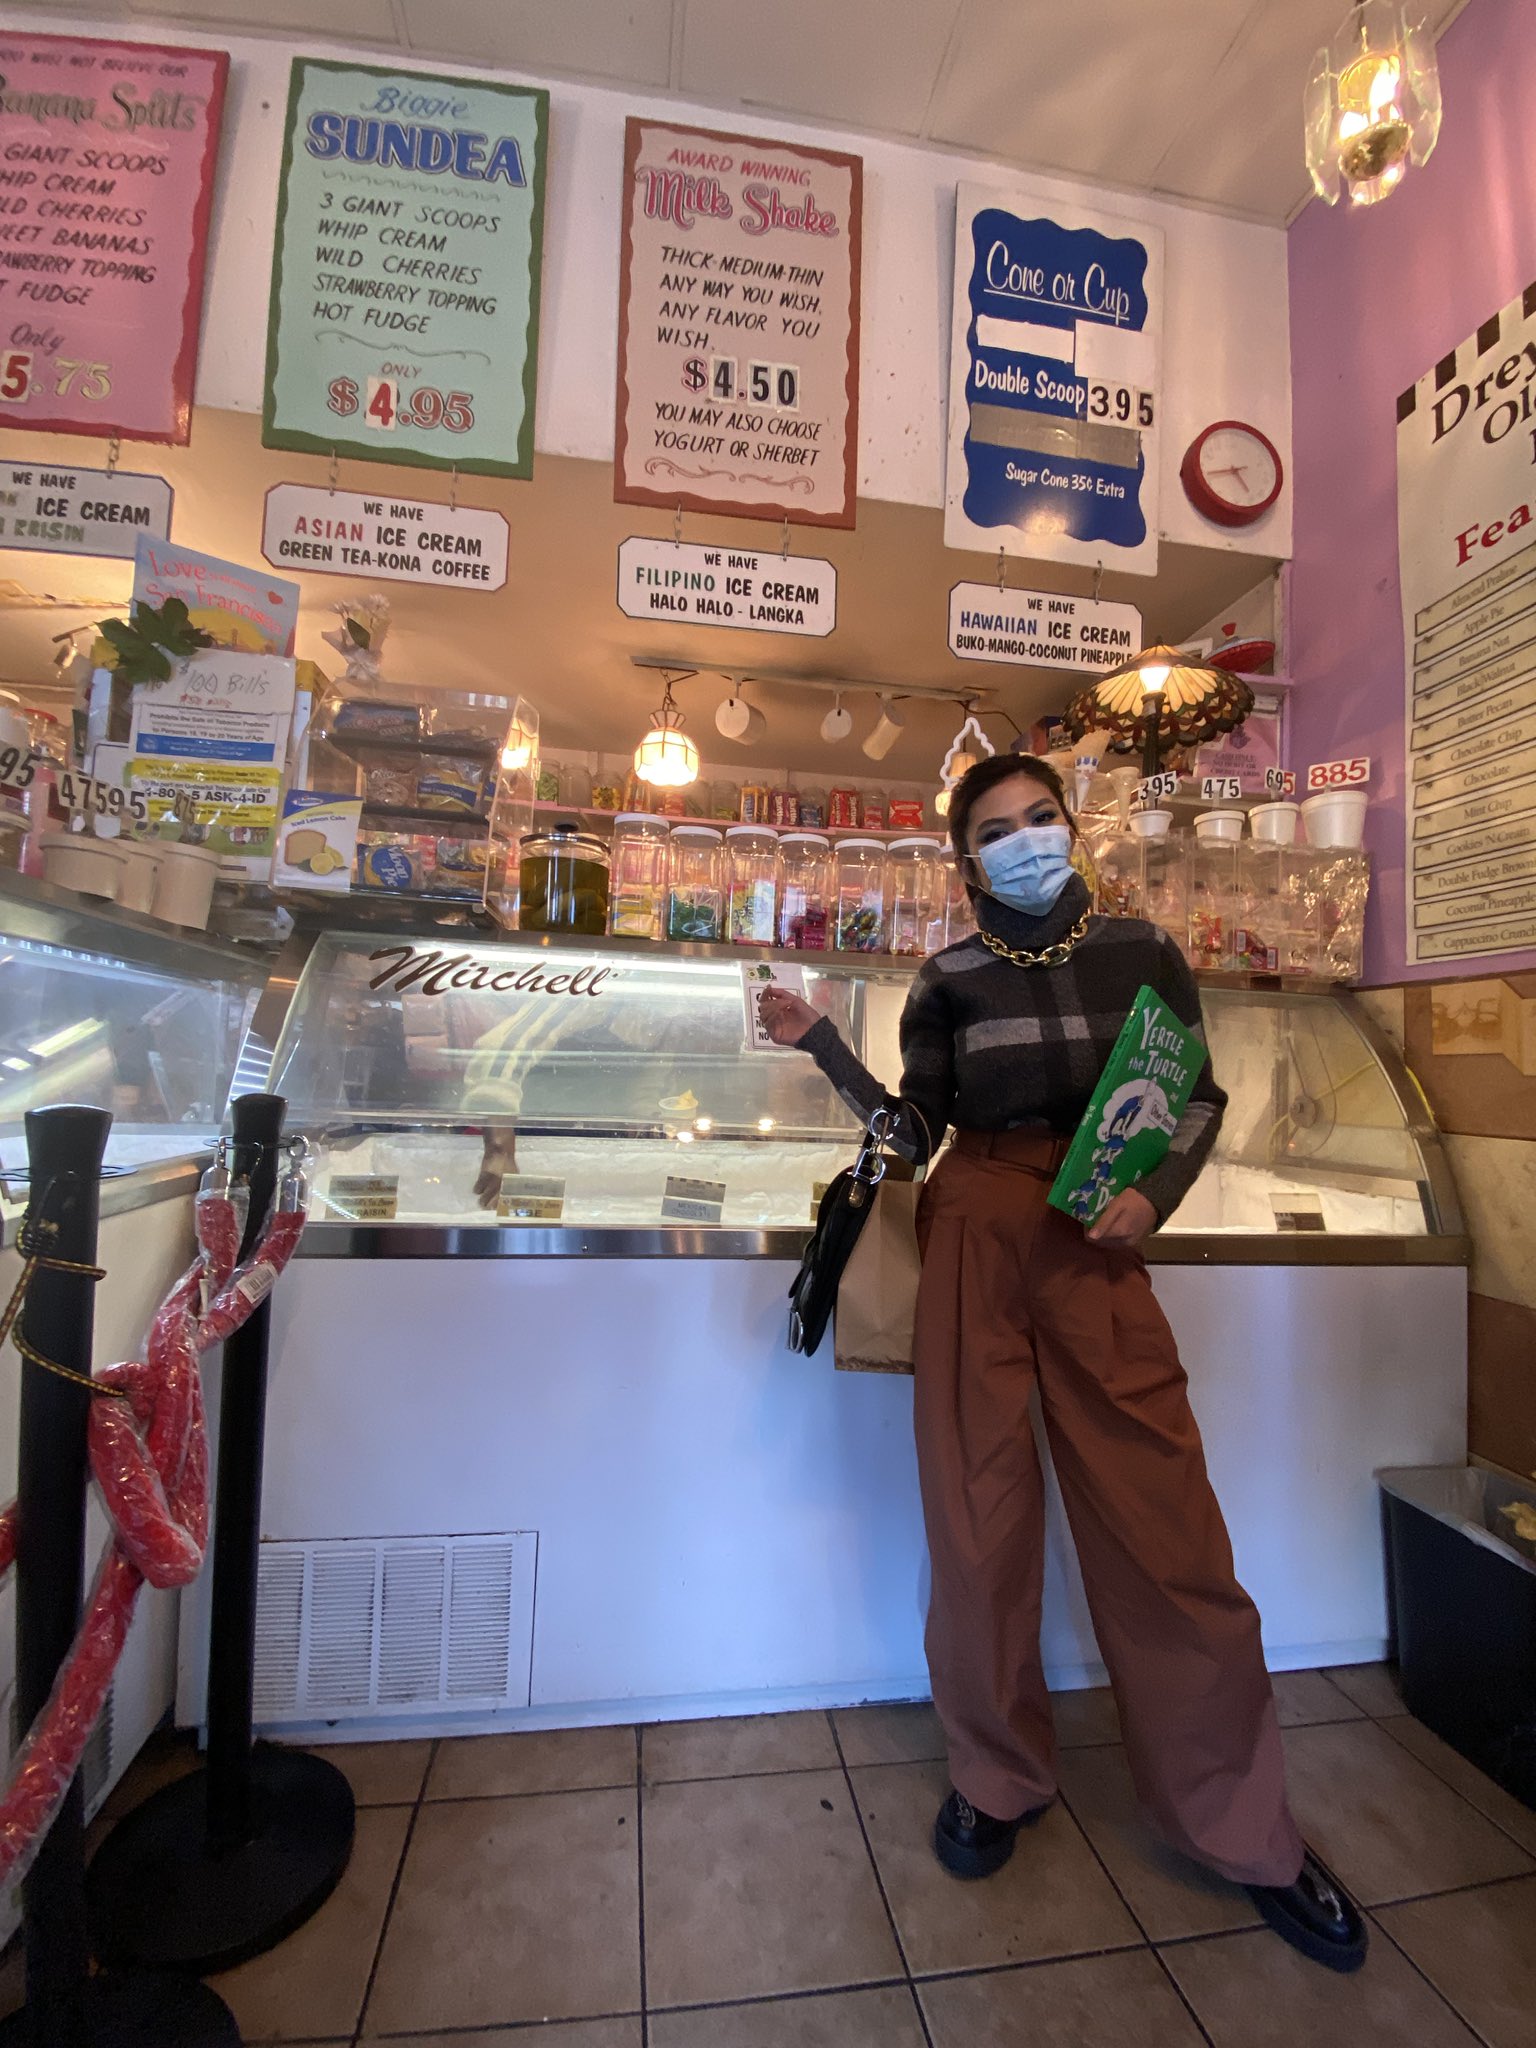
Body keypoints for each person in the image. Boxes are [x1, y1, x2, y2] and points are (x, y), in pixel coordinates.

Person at [757, 752, 1367, 1974]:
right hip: (975, 1224)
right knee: (975, 1516)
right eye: (997, 830)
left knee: (1164, 1524)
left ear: (1072, 827)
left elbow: (1197, 1095)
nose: (1026, 840)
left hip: (1099, 1227)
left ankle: (1241, 1821)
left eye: (1042, 817)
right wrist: (823, 1042)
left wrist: (1157, 1193)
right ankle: (997, 1772)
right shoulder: (948, 974)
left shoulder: (1143, 950)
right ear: (966, 860)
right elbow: (916, 1132)